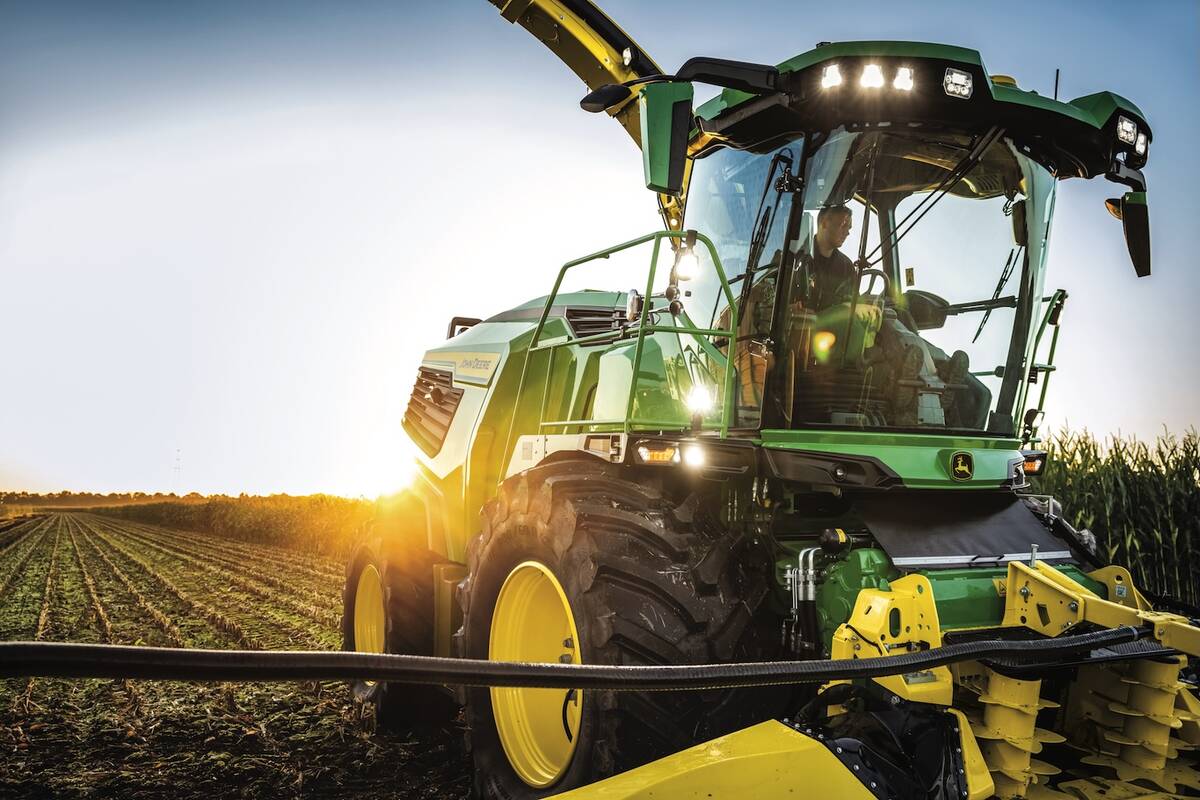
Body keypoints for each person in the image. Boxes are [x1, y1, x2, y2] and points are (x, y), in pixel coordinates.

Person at [807, 204, 856, 310]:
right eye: (843, 225)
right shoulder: (794, 259)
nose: (847, 233)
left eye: (849, 228)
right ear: (824, 223)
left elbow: (852, 303)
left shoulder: (847, 267)